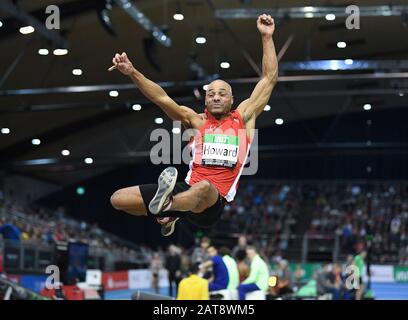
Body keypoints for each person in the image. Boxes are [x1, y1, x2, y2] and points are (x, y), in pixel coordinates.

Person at [109, 14, 278, 236]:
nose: (216, 97)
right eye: (211, 94)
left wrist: (267, 37)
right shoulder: (195, 121)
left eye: (222, 93)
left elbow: (269, 79)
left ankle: (167, 209)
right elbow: (161, 98)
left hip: (211, 202)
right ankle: (170, 211)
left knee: (205, 187)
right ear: (206, 99)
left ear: (231, 99)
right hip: (185, 191)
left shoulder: (244, 117)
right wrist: (132, 72)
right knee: (118, 199)